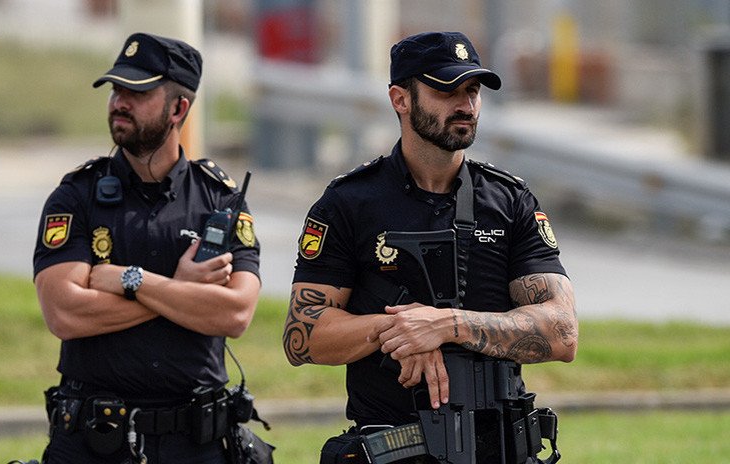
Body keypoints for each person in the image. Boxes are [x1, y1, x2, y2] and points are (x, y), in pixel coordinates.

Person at [283, 31, 577, 462]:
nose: (466, 105)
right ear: (400, 99)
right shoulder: (348, 203)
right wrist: (398, 331)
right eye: (446, 91)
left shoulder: (509, 201)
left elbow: (563, 333)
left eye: (473, 91)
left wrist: (446, 325)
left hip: (497, 450)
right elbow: (301, 336)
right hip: (393, 448)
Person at [33, 32, 261, 464]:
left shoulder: (220, 200)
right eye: (117, 89)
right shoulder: (76, 196)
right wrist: (181, 289)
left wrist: (128, 281)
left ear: (179, 108)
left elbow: (234, 314)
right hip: (94, 441)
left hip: (197, 444)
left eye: (137, 92)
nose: (120, 101)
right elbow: (64, 312)